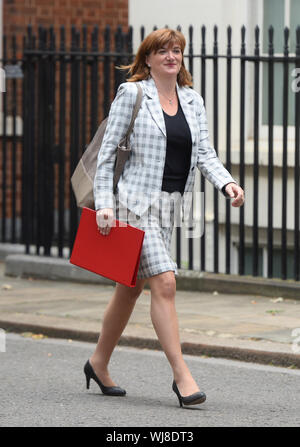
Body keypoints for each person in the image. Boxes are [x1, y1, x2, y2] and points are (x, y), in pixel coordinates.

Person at [84, 28, 244, 407]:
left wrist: (228, 184)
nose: (171, 56)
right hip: (133, 205)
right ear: (148, 58)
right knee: (165, 282)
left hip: (170, 207)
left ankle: (97, 362)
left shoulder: (192, 100)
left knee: (131, 287)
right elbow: (107, 156)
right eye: (162, 51)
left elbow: (204, 153)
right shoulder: (133, 94)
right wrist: (104, 203)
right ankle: (182, 377)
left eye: (176, 50)